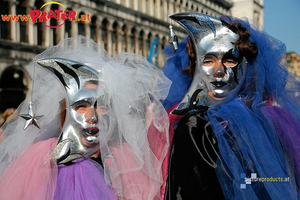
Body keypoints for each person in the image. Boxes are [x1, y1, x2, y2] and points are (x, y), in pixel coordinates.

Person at [0, 36, 171, 200]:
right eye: (81, 106)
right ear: (65, 114)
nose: (92, 116)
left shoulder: (125, 162)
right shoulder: (42, 158)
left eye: (101, 106)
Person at [161, 12, 300, 199]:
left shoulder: (264, 122)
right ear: (196, 67)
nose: (219, 71)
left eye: (229, 60)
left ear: (245, 67)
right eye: (209, 60)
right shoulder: (197, 126)